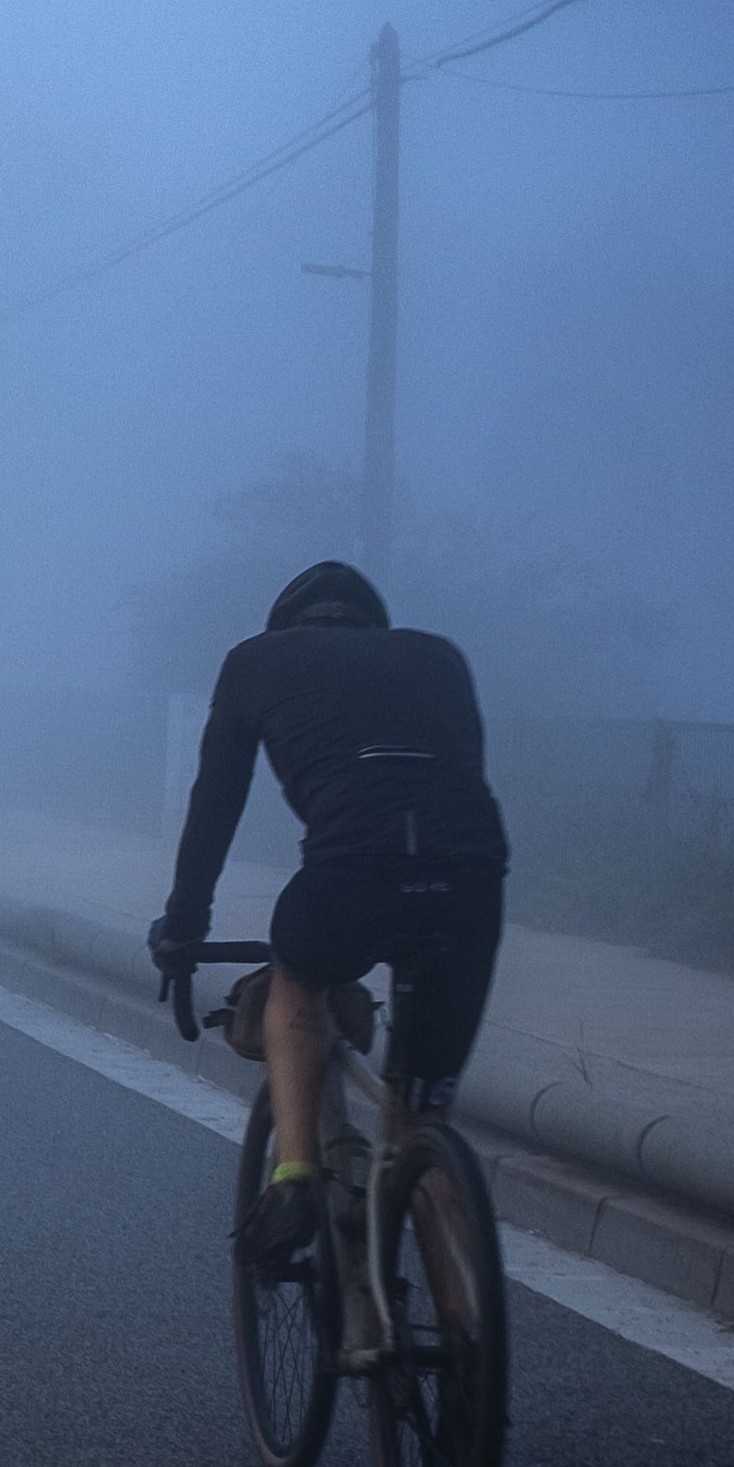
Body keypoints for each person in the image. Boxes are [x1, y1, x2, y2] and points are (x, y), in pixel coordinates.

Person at [146, 560, 509, 1324]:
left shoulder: (254, 660)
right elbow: (459, 777)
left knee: (296, 981)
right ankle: (467, 1357)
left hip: (351, 875)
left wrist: (184, 925)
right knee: (422, 1120)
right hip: (470, 882)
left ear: (290, 625)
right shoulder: (439, 655)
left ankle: (296, 1176)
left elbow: (216, 803)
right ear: (371, 627)